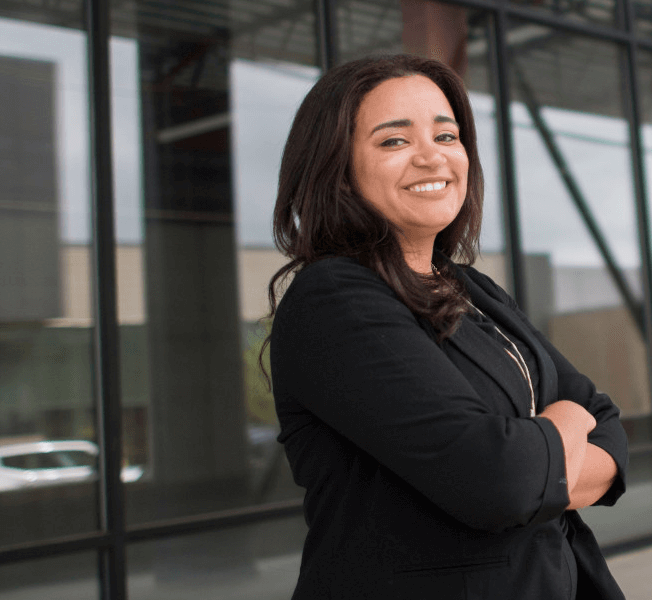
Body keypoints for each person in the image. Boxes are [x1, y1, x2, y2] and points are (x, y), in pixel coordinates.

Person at [265, 54, 629, 600]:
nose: (431, 157)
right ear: (336, 168)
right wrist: (568, 425)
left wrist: (548, 452)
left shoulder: (470, 288)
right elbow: (499, 483)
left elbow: (610, 435)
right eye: (394, 142)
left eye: (447, 135)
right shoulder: (335, 300)